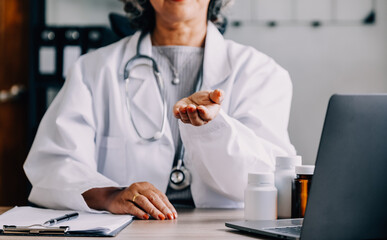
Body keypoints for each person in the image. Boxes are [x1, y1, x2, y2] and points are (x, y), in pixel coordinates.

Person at [24, 0, 296, 221]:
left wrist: (215, 127)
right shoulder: (93, 70)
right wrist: (111, 196)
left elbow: (268, 180)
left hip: (223, 231)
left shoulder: (261, 73)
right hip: (128, 231)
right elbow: (53, 164)